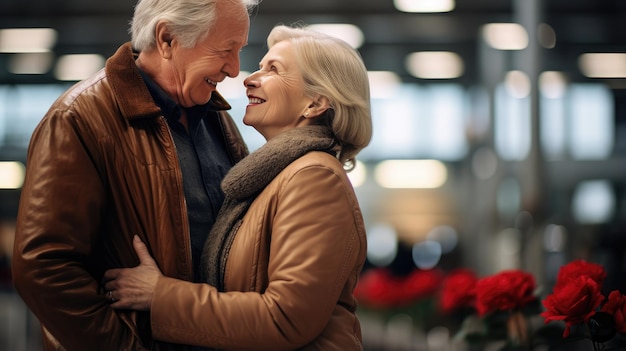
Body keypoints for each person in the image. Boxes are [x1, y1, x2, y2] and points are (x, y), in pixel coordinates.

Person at [103, 24, 373, 350]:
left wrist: (159, 295)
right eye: (261, 65)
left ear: (315, 104)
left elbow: (285, 318)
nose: (248, 78)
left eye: (273, 69)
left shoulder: (315, 179)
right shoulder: (276, 177)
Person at [11, 0, 258, 350]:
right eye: (225, 50)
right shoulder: (78, 118)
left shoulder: (217, 119)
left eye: (240, 50)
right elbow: (44, 269)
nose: (234, 70)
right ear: (168, 38)